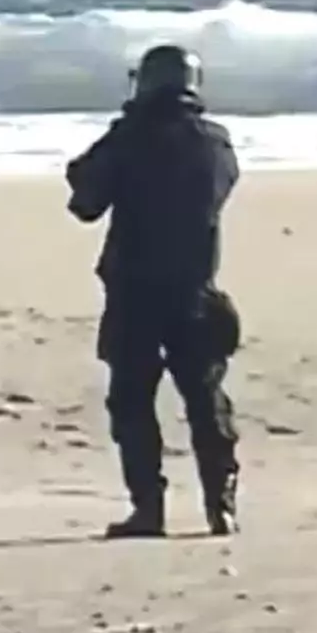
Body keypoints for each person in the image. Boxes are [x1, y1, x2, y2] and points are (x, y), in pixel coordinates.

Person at [66, 44, 243, 539]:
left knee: (132, 401)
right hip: (195, 289)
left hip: (134, 291)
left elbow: (85, 203)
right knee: (206, 399)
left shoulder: (129, 138)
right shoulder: (215, 142)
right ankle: (220, 505)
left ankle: (149, 509)